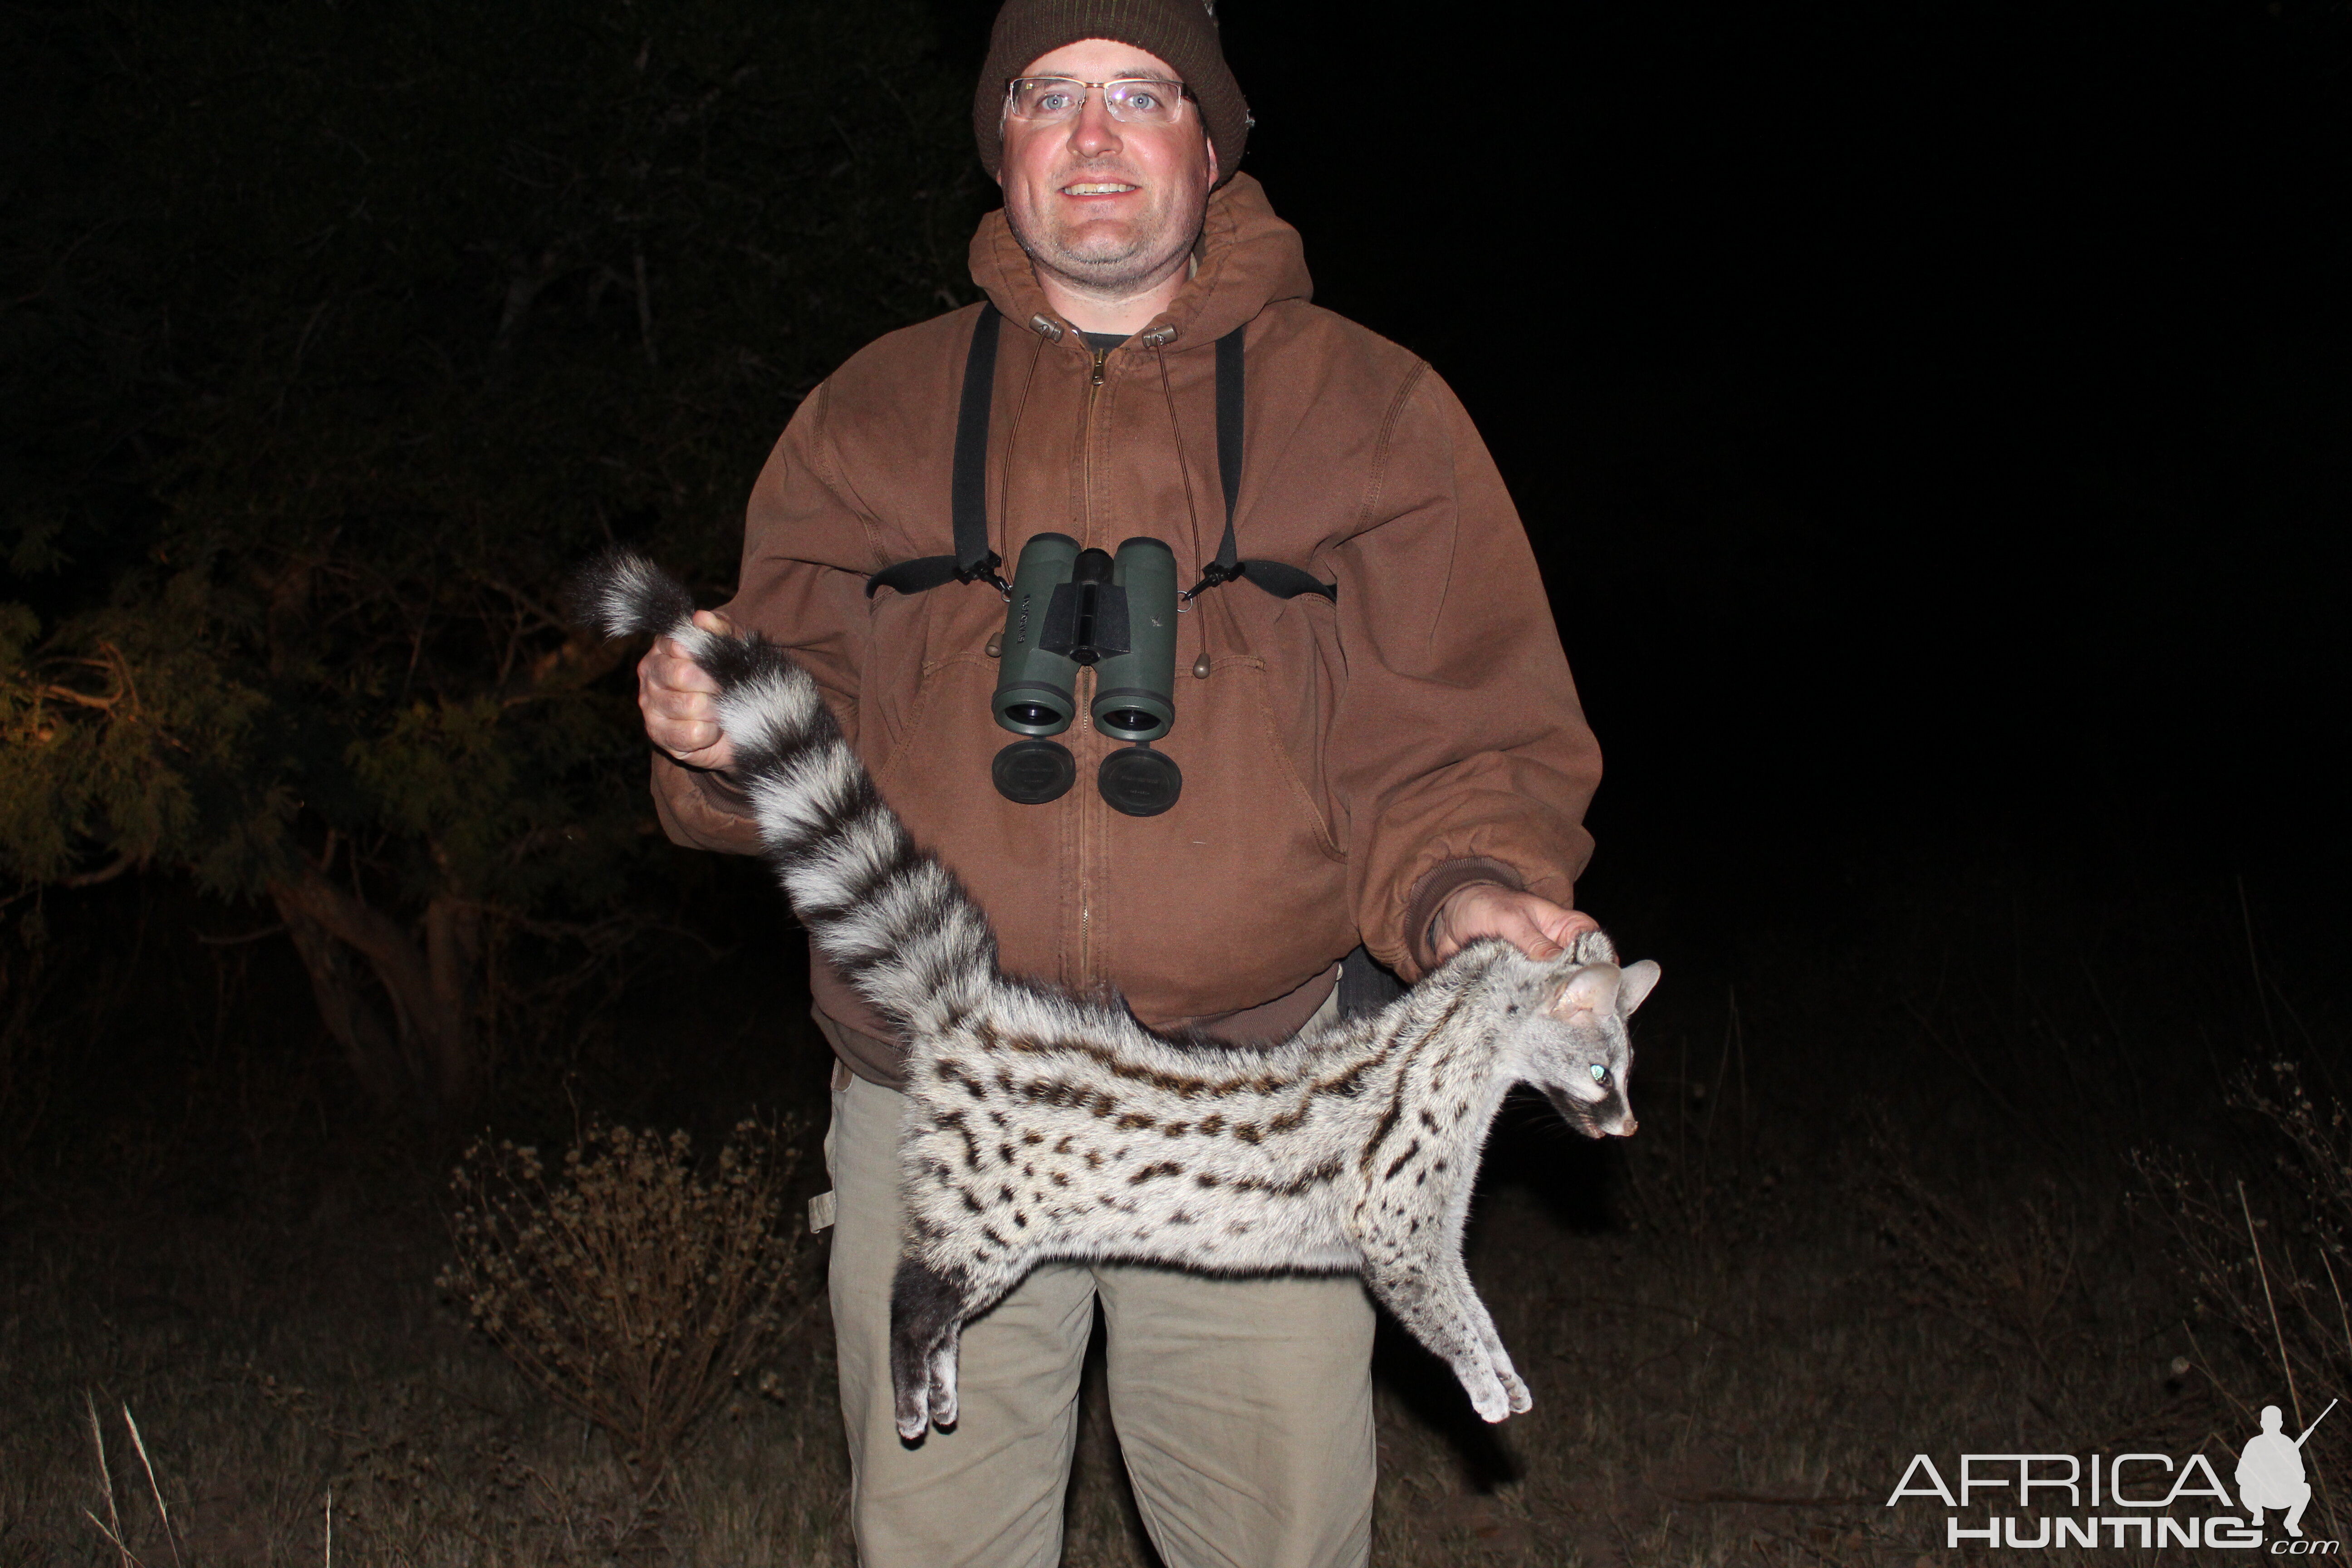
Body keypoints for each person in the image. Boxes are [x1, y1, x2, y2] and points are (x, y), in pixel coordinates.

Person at [636, 2, 1603, 1562]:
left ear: (1208, 149)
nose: (1092, 138)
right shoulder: (869, 411)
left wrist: (1472, 892)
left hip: (1260, 1110)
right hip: (940, 1099)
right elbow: (796, 723)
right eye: (1049, 96)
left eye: (1139, 96)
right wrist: (714, 732)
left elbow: (1461, 737)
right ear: (999, 144)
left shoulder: (1370, 410)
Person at [2237, 1405, 2313, 1536]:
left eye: (2274, 1422)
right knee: (2247, 1489)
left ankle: (2292, 1522)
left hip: (2282, 1494)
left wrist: (2284, 1471)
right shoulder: (2254, 1444)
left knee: (2305, 1489)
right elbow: (2240, 1475)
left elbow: (2301, 1475)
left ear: (2281, 1424)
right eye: (2268, 1422)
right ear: (2262, 1424)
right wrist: (2258, 1476)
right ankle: (2257, 1513)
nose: (2271, 1425)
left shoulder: (2288, 1444)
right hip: (2259, 1496)